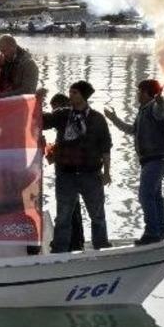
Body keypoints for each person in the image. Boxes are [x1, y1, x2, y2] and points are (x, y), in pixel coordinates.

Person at [41, 81, 112, 253]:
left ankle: (101, 245)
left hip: (91, 174)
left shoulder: (97, 119)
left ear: (83, 96)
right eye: (70, 92)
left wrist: (107, 173)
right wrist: (37, 101)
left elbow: (105, 148)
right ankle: (59, 250)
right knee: (63, 216)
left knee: (97, 215)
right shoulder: (63, 115)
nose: (70, 96)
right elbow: (42, 121)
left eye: (74, 93)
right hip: (66, 175)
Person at [104, 79, 164, 245]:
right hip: (151, 160)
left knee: (145, 194)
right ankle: (161, 229)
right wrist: (113, 118)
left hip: (156, 159)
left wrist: (161, 101)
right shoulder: (143, 111)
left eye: (139, 91)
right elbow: (132, 130)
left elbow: (162, 111)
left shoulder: (155, 108)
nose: (137, 95)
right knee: (155, 195)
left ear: (148, 94)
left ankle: (152, 232)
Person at [46, 93, 85, 251]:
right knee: (73, 208)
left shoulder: (65, 116)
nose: (53, 112)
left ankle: (63, 245)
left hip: (68, 172)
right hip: (74, 171)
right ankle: (76, 241)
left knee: (65, 209)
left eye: (53, 108)